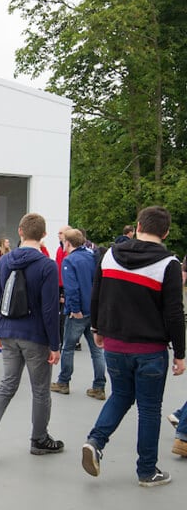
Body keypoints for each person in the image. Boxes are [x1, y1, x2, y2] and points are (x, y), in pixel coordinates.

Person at [81, 206, 185, 487]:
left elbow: (97, 295)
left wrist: (96, 330)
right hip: (150, 350)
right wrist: (181, 353)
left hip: (114, 345)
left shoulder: (110, 255)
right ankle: (147, 471)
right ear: (165, 232)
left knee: (121, 396)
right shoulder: (169, 264)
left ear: (138, 226)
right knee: (149, 409)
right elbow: (174, 312)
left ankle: (95, 441)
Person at [0, 213, 63, 461]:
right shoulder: (47, 265)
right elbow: (50, 309)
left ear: (20, 231)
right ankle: (39, 439)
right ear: (43, 235)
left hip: (8, 331)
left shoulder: (5, 261)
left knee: (7, 384)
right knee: (41, 389)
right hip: (35, 336)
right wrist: (55, 344)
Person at [50, 229, 106, 399]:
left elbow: (72, 288)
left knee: (67, 348)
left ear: (68, 243)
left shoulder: (69, 261)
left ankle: (63, 382)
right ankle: (99, 386)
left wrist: (75, 309)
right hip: (93, 311)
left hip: (78, 312)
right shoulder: (92, 256)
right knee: (96, 350)